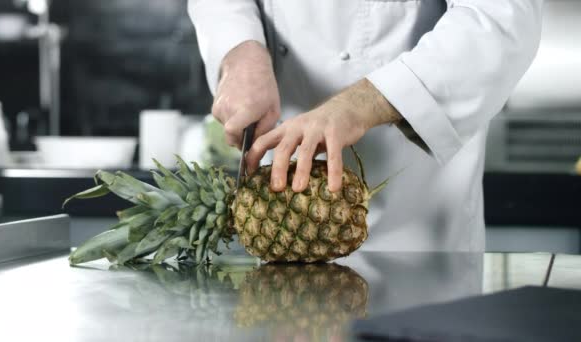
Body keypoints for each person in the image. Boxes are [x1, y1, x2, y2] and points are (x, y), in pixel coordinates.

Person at [188, 0, 542, 252]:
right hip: (280, 226)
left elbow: (503, 17)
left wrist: (365, 102)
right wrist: (240, 50)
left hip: (416, 236)